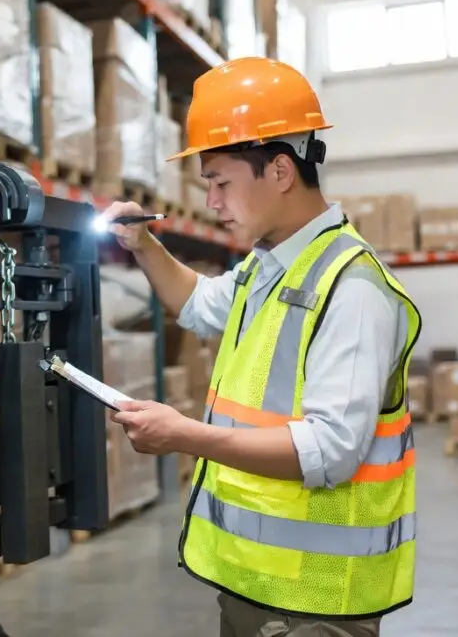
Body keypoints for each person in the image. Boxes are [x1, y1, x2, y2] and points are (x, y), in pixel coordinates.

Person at [100, 57, 422, 637]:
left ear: (279, 171)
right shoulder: (268, 267)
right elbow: (199, 304)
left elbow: (329, 450)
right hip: (258, 588)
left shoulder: (351, 288)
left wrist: (183, 436)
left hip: (318, 605)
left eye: (221, 182)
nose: (214, 201)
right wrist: (143, 245)